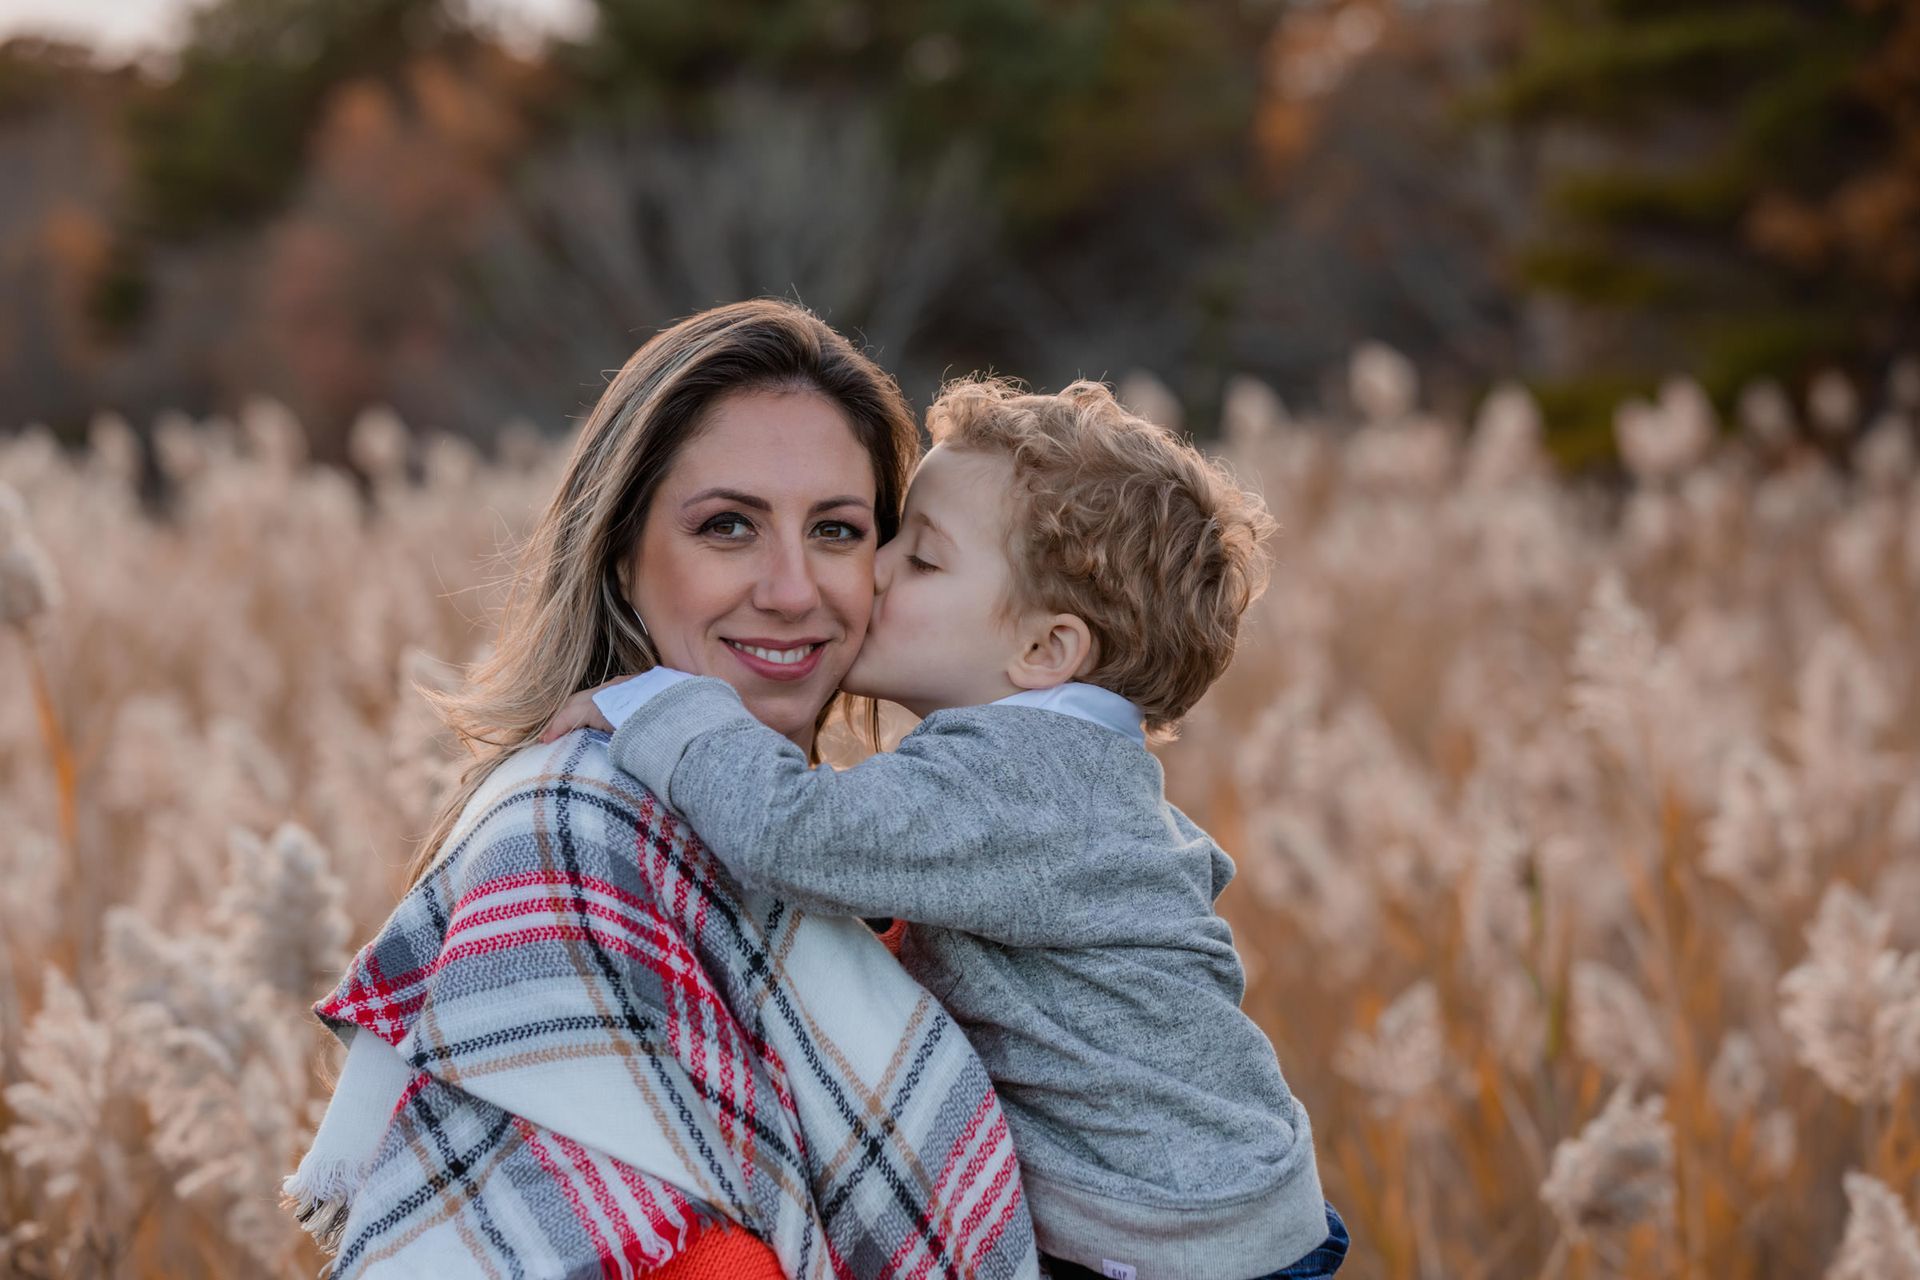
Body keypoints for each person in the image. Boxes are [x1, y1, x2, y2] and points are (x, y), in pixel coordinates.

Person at [285, 301, 1041, 1279]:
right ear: (622, 556)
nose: (790, 586)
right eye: (727, 526)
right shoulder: (571, 829)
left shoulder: (885, 855)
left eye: (838, 529)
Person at [543, 378, 1346, 1279]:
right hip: (1208, 1212)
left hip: (1168, 1241)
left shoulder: (1023, 776)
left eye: (921, 560)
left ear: (1046, 650)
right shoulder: (1065, 774)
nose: (872, 571)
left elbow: (790, 834)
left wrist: (670, 706)